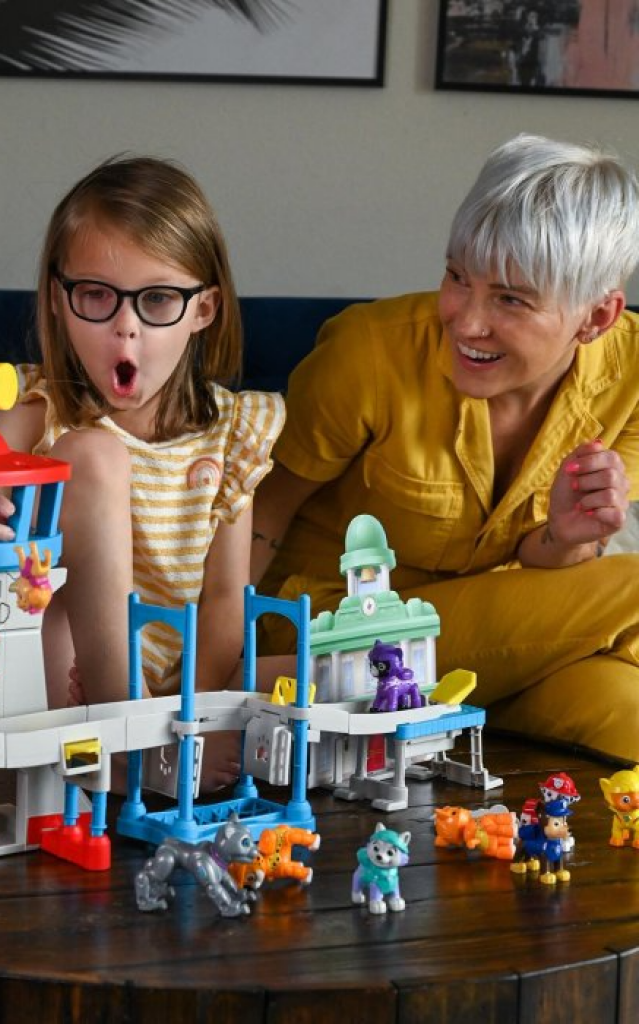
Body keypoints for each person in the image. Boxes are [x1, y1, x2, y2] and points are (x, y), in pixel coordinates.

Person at [252, 134, 639, 763]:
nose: (465, 320)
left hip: (493, 648)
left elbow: (548, 564)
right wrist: (211, 672)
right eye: (458, 277)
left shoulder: (632, 375)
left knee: (631, 716)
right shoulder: (367, 354)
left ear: (596, 317)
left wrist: (566, 538)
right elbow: (258, 514)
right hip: (338, 635)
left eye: (510, 298)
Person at [0, 155, 285, 787]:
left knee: (344, 675)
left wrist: (190, 713)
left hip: (177, 675)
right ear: (59, 299)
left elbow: (223, 601)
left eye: (157, 299)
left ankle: (159, 738)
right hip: (59, 670)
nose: (125, 328)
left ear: (204, 309)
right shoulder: (33, 411)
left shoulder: (233, 433)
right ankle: (126, 739)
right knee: (92, 455)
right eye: (97, 296)